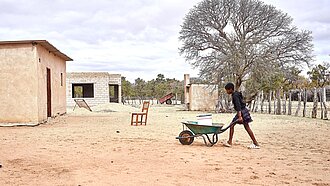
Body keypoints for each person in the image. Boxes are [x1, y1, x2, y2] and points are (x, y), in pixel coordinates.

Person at [223, 83, 260, 149]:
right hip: (243, 111)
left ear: (231, 89)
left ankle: (230, 142)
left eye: (227, 90)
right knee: (246, 127)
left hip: (241, 112)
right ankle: (255, 143)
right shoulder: (237, 93)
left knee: (232, 125)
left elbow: (238, 106)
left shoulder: (235, 96)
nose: (227, 92)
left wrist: (240, 116)